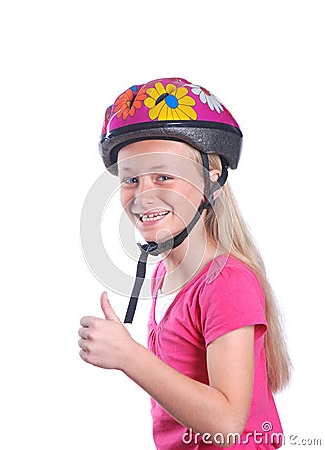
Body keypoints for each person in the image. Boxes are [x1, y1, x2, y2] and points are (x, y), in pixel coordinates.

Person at [78, 77, 291, 449]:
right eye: (131, 179)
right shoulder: (164, 274)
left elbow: (227, 426)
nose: (144, 195)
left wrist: (130, 356)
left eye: (164, 176)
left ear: (213, 181)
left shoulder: (227, 283)